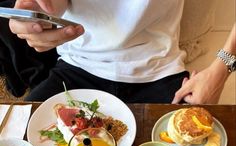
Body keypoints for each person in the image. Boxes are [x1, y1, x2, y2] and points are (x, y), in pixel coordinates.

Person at [9, 0, 235, 104]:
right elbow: (52, 5)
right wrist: (36, 10)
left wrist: (221, 69)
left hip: (159, 72)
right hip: (77, 66)